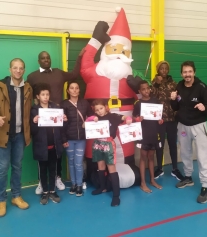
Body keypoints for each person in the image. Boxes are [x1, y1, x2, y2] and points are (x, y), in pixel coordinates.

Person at [80, 9, 138, 181]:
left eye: (124, 51)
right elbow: (85, 62)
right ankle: (96, 173)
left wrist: (139, 90)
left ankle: (126, 165)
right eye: (115, 48)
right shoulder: (95, 70)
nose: (119, 53)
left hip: (123, 118)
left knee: (124, 143)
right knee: (97, 145)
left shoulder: (131, 75)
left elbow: (145, 99)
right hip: (97, 116)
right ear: (106, 50)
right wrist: (96, 40)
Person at [27, 49, 84, 193]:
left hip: (57, 119)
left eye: (48, 58)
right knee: (42, 149)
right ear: (39, 61)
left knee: (58, 149)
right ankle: (42, 181)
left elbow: (74, 74)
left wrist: (79, 56)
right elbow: (26, 95)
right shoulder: (32, 76)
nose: (46, 60)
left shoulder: (58, 72)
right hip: (41, 119)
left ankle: (57, 177)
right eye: (43, 58)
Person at [0, 58, 33, 217]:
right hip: (2, 135)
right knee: (2, 169)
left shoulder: (28, 88)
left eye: (21, 68)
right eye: (15, 68)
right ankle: (1, 200)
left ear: (24, 70)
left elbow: (30, 110)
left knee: (17, 166)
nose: (18, 71)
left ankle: (16, 196)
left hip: (20, 135)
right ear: (10, 69)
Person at [170, 61, 207, 204]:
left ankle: (205, 186)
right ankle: (188, 178)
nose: (187, 74)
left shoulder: (202, 88)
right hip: (183, 125)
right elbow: (176, 106)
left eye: (189, 72)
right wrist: (172, 100)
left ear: (194, 72)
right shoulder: (179, 86)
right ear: (181, 73)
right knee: (185, 152)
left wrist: (205, 108)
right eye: (184, 72)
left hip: (198, 125)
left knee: (202, 155)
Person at [86, 99, 132, 206]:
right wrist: (91, 118)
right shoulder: (95, 118)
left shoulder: (113, 116)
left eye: (101, 108)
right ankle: (102, 187)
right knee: (100, 166)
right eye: (97, 110)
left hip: (109, 144)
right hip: (97, 143)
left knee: (111, 168)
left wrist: (128, 118)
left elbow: (124, 117)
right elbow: (85, 125)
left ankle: (116, 195)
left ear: (106, 107)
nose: (99, 111)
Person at [30, 83, 64, 205]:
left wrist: (63, 119)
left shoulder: (55, 108)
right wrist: (34, 122)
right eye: (43, 95)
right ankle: (45, 192)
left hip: (54, 146)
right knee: (43, 170)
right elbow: (32, 132)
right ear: (38, 96)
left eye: (47, 94)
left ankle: (52, 191)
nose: (45, 97)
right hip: (41, 147)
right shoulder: (34, 110)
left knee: (53, 169)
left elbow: (60, 128)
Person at [151, 61, 184, 181]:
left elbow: (179, 99)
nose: (164, 71)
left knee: (172, 144)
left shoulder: (173, 84)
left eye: (166, 69)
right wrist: (156, 84)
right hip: (159, 120)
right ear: (158, 70)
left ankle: (175, 169)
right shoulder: (154, 83)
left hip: (171, 119)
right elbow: (151, 97)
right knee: (159, 145)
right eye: (161, 69)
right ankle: (159, 168)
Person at [60, 81, 93, 196]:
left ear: (79, 90)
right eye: (72, 88)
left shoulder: (85, 103)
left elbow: (92, 116)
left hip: (81, 139)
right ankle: (73, 184)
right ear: (68, 91)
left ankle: (79, 184)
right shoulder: (64, 104)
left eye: (76, 88)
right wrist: (63, 140)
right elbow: (61, 124)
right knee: (71, 162)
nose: (74, 90)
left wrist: (88, 123)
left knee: (78, 163)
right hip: (69, 139)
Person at [133, 81, 163, 193]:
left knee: (151, 156)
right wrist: (138, 119)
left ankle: (152, 180)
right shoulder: (138, 103)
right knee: (143, 157)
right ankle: (143, 183)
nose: (146, 91)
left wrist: (160, 120)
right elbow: (134, 116)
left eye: (147, 88)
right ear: (140, 91)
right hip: (143, 133)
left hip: (153, 132)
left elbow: (159, 116)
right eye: (143, 89)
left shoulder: (155, 100)